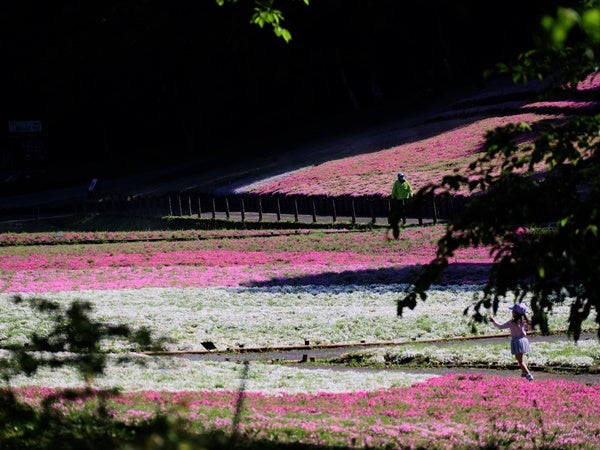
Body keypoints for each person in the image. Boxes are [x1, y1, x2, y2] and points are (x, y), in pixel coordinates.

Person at [489, 303, 534, 381]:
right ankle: (524, 372)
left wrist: (493, 321)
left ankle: (528, 375)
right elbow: (530, 328)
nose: (512, 312)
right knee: (519, 358)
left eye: (513, 311)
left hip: (517, 341)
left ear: (515, 313)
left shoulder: (512, 322)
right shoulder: (524, 321)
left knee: (520, 361)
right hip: (523, 340)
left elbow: (500, 326)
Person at [389, 172, 413, 239]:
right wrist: (393, 196)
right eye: (400, 177)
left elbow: (409, 188)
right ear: (398, 177)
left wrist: (411, 194)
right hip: (399, 198)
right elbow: (394, 190)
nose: (402, 177)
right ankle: (401, 219)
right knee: (400, 209)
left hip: (405, 198)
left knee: (405, 209)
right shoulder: (396, 183)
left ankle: (404, 219)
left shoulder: (406, 182)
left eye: (402, 176)